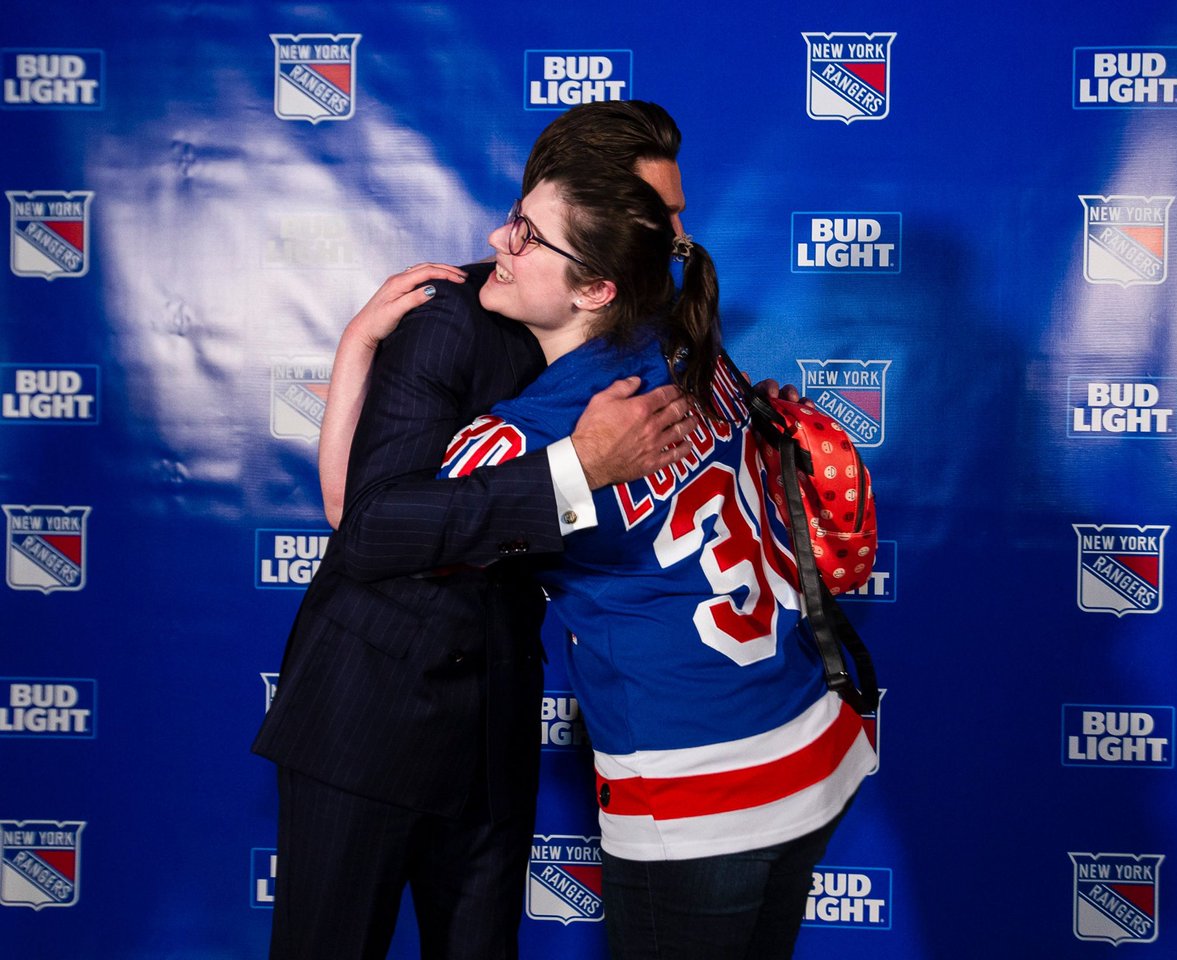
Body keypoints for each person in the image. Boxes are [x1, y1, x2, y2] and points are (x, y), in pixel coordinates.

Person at [360, 160, 875, 955]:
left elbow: (362, 524)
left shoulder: (520, 436)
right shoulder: (681, 343)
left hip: (701, 786)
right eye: (513, 216)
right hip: (812, 733)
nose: (499, 237)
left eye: (529, 236)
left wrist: (358, 346)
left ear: (595, 289)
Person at [252, 101, 700, 960]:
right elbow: (367, 524)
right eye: (661, 211)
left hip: (495, 727)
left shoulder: (639, 340)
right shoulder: (457, 315)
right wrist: (574, 470)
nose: (677, 234)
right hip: (367, 716)